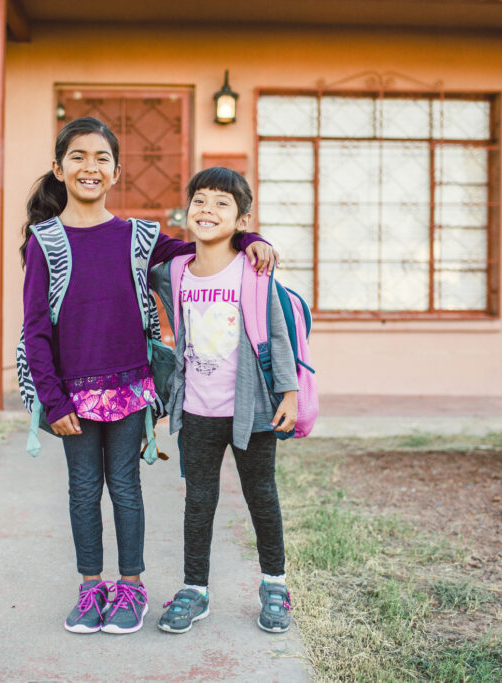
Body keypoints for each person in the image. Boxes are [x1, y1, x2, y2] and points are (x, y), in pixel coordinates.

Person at [21, 118, 277, 635]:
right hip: (71, 396)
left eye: (101, 158)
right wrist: (53, 401)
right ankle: (92, 587)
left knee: (126, 488)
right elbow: (34, 329)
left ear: (117, 172)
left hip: (130, 389)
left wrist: (249, 235)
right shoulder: (43, 241)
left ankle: (132, 588)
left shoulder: (138, 237)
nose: (89, 167)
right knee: (82, 490)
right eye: (78, 156)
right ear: (58, 168)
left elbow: (202, 247)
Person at [150, 167, 299, 635]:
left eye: (221, 203)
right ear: (186, 211)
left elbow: (277, 333)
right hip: (195, 411)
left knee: (262, 497)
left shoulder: (253, 271)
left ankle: (274, 584)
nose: (207, 209)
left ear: (241, 220)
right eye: (199, 200)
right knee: (199, 502)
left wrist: (289, 392)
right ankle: (195, 589)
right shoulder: (173, 272)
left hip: (252, 411)